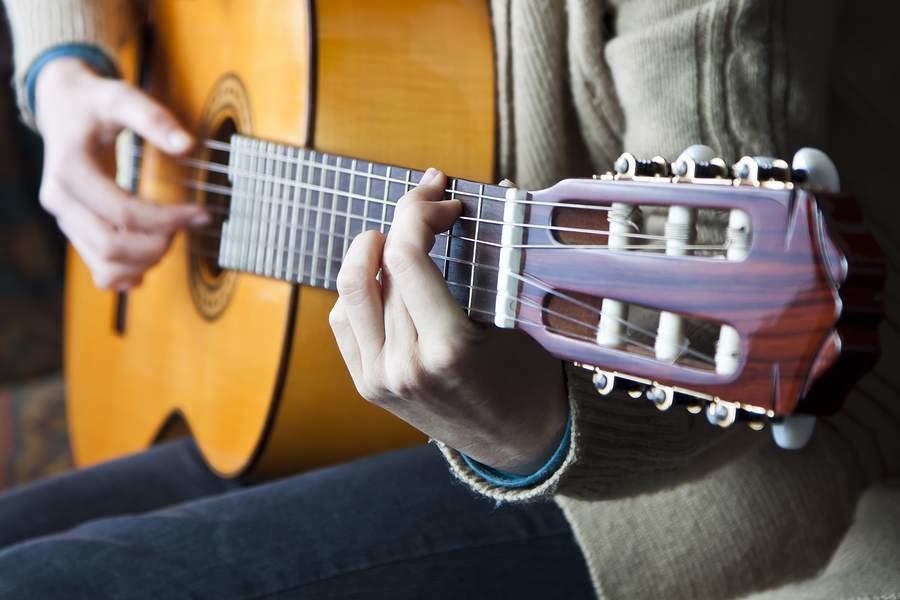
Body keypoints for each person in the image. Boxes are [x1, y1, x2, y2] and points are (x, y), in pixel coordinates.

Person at [1, 0, 899, 598]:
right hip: (290, 379)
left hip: (646, 487)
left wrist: (529, 428)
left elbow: (732, 341)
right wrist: (62, 67)